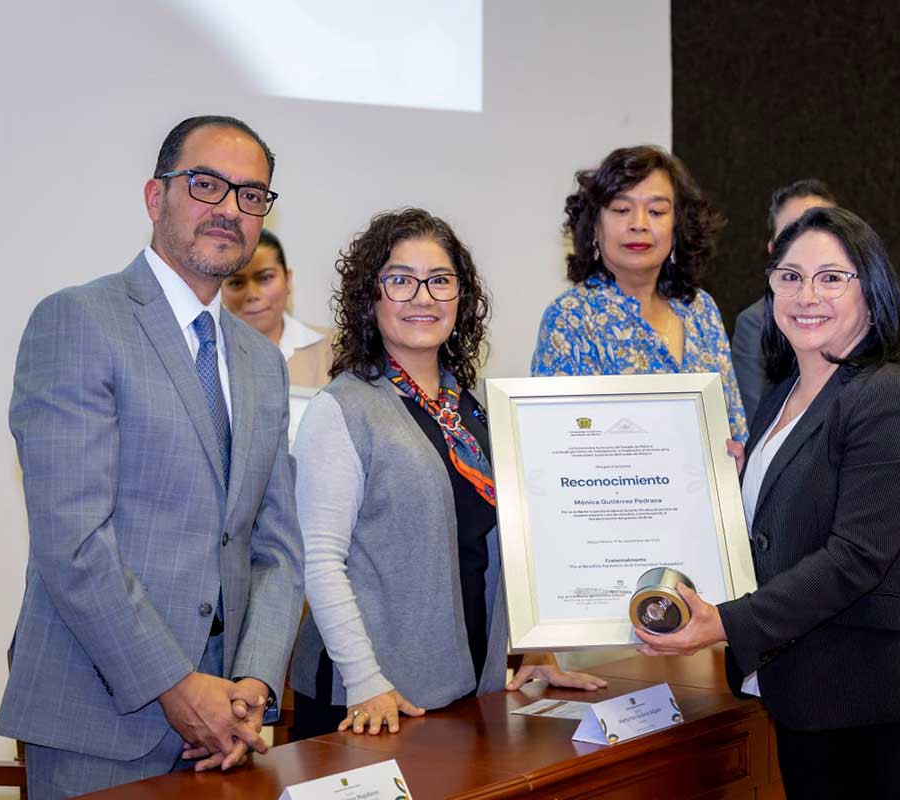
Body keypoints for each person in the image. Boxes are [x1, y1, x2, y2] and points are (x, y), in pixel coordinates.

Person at [0, 115, 306, 798]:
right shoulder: (79, 320)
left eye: (251, 195)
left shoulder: (262, 363)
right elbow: (72, 539)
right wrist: (176, 685)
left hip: (228, 724)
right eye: (206, 184)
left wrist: (254, 681)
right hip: (100, 719)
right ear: (154, 195)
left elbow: (278, 546)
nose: (229, 208)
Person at [634, 207, 900, 799]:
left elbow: (855, 559)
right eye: (790, 277)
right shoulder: (782, 394)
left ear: (871, 291)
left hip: (891, 705)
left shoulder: (889, 395)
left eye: (831, 278)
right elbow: (780, 528)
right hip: (810, 696)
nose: (807, 295)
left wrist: (726, 622)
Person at [289, 208, 607, 738]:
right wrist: (366, 681)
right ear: (369, 296)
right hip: (368, 698)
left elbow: (497, 543)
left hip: (469, 685)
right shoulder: (342, 409)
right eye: (400, 280)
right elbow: (320, 562)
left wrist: (535, 647)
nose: (423, 297)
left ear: (461, 297)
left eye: (440, 280)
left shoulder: (476, 407)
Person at [530, 145, 746, 441]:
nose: (639, 224)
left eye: (657, 211)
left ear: (678, 226)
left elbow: (733, 423)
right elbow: (560, 440)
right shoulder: (570, 317)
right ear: (594, 226)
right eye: (621, 210)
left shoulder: (701, 308)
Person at [731, 179, 837, 421]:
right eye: (792, 233)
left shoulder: (859, 312)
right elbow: (760, 422)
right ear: (773, 251)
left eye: (820, 229)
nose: (807, 243)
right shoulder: (756, 323)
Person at [221, 229, 335, 388]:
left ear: (287, 279)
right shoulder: (209, 354)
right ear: (220, 289)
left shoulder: (332, 349)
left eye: (265, 278)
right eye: (236, 283)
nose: (252, 294)